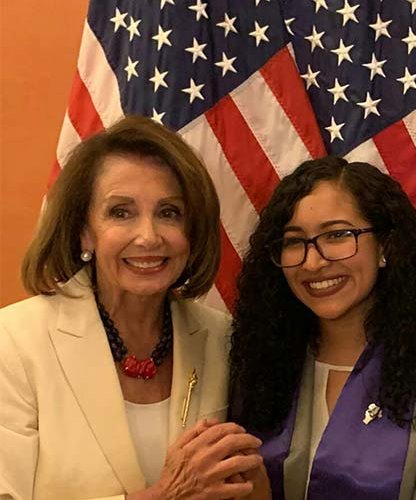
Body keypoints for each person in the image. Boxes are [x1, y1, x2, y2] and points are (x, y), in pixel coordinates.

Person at [0, 116, 265, 499]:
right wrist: (164, 496)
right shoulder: (14, 342)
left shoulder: (221, 338)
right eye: (120, 212)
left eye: (169, 212)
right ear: (84, 230)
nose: (148, 236)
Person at [228, 156, 416, 500]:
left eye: (337, 235)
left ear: (385, 246)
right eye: (294, 241)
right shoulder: (261, 361)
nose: (314, 262)